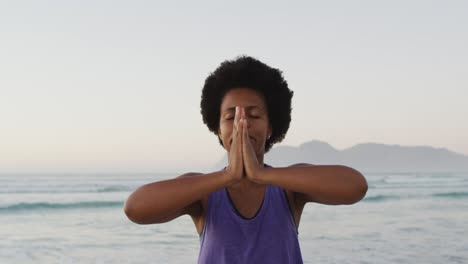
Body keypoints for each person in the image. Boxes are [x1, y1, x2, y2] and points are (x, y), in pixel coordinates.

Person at [124, 56, 368, 264]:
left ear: (271, 127)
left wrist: (262, 175)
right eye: (231, 118)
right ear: (218, 129)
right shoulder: (204, 192)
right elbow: (135, 208)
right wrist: (228, 176)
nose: (243, 124)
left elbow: (355, 185)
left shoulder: (288, 187)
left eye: (254, 115)